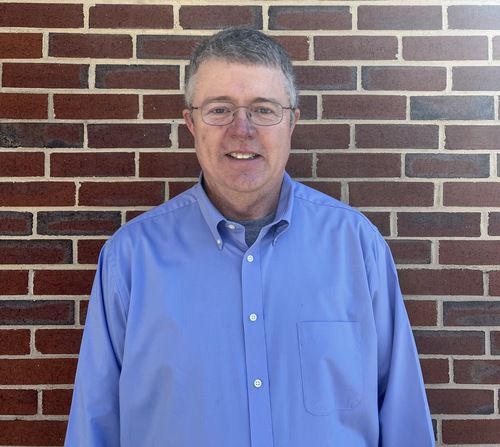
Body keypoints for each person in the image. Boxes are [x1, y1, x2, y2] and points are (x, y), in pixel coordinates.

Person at [65, 27, 435, 446]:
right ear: (191, 123)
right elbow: (94, 426)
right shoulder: (132, 259)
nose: (242, 129)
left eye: (263, 109)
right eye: (220, 109)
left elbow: (403, 418)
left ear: (292, 122)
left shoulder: (356, 247)